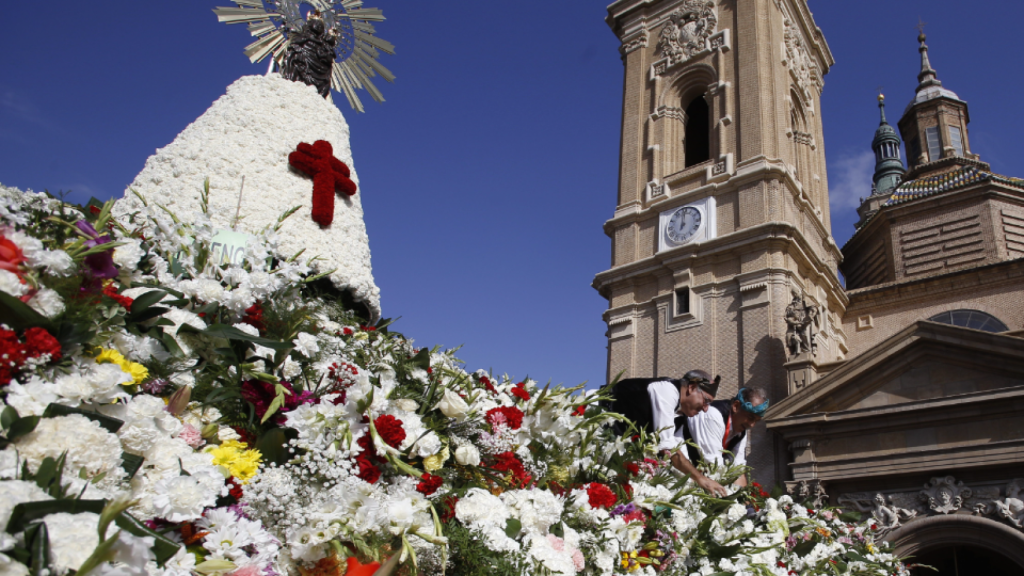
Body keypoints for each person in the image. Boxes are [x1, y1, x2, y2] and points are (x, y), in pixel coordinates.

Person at [605, 370, 728, 496]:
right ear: (691, 388)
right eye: (706, 401)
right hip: (594, 420)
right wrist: (701, 479)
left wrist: (693, 486)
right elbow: (668, 449)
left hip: (614, 440)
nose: (705, 409)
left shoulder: (680, 414)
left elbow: (680, 453)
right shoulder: (667, 390)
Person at [682, 387, 769, 488]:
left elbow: (737, 470)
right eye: (750, 417)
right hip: (676, 470)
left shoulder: (741, 431)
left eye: (756, 421)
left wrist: (745, 500)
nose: (752, 425)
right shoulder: (712, 415)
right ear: (736, 406)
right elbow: (714, 465)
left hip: (699, 477)